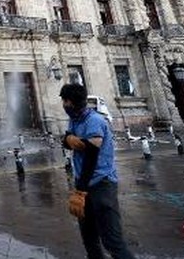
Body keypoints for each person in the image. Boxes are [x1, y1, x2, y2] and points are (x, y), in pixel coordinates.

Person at [60, 83, 135, 259]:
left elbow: (91, 156)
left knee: (112, 242)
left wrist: (80, 190)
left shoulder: (95, 121)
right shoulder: (75, 119)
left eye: (65, 101)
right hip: (84, 184)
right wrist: (71, 140)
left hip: (102, 185)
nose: (64, 105)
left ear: (73, 102)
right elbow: (65, 141)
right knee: (89, 239)